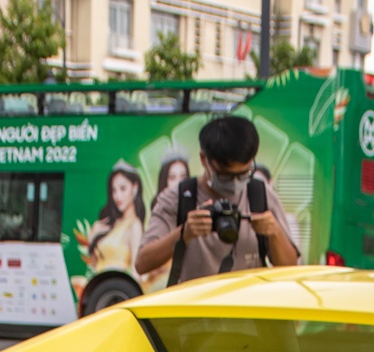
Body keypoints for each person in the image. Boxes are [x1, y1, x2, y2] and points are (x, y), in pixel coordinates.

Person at [135, 115, 299, 284]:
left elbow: (290, 268)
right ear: (204, 159)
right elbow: (142, 263)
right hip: (195, 306)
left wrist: (275, 233)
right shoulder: (179, 197)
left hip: (249, 306)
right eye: (226, 175)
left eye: (244, 174)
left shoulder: (260, 194)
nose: (235, 183)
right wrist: (184, 233)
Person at [83, 161, 146, 274]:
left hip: (118, 288)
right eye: (114, 190)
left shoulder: (134, 225)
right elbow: (93, 264)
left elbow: (136, 271)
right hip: (98, 286)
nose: (118, 196)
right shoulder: (103, 225)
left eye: (123, 188)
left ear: (135, 188)